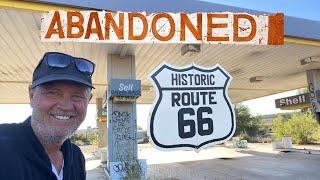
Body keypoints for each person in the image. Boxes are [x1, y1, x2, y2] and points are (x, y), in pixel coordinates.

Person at [0, 52, 95, 180]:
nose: (65, 106)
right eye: (53, 93)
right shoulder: (4, 150)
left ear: (88, 100)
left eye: (77, 96)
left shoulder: (76, 157)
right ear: (32, 95)